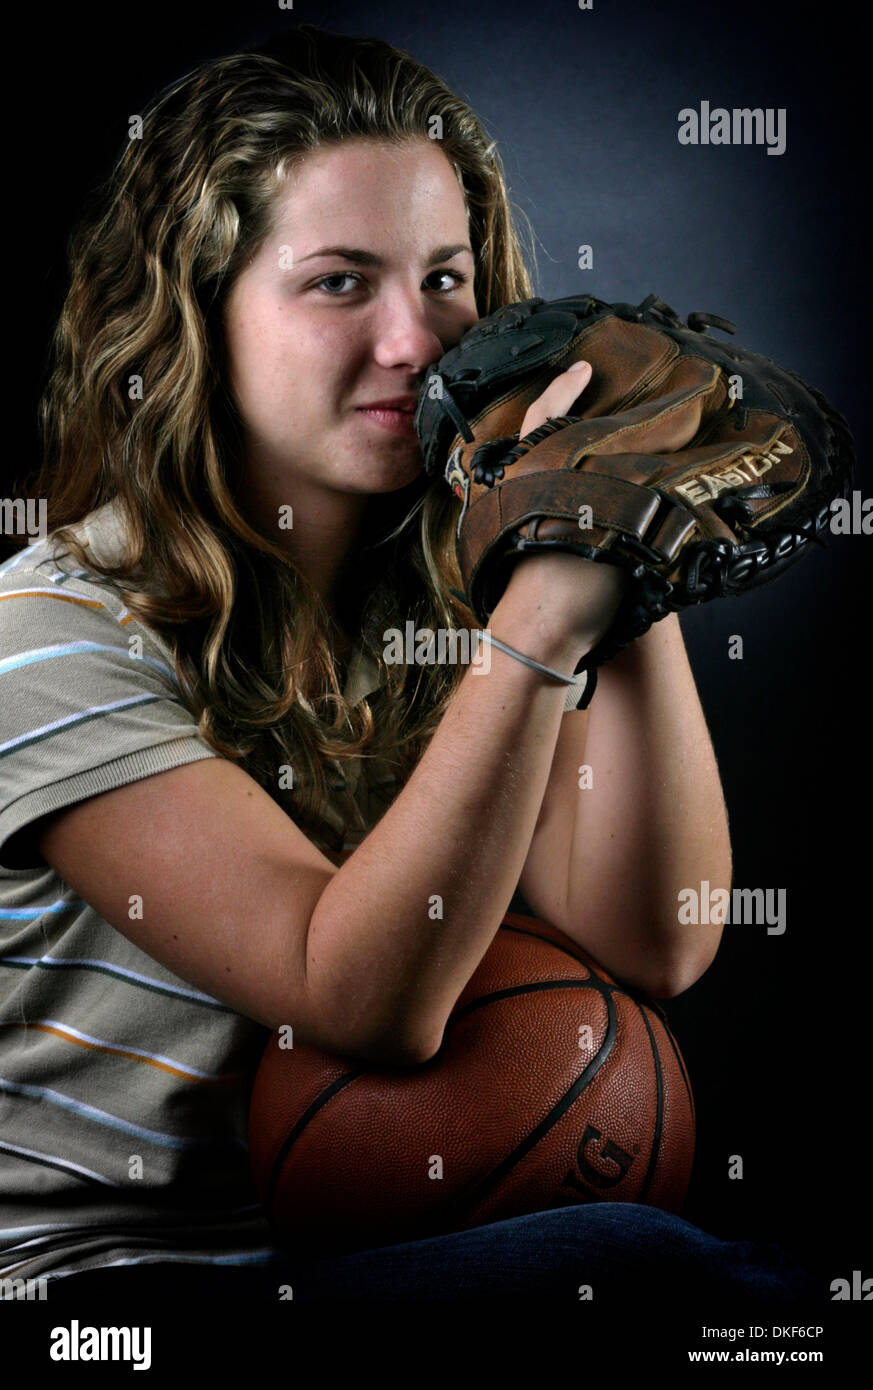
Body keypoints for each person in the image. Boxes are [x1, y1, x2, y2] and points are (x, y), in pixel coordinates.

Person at [0, 24, 816, 1307]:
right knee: (666, 1273)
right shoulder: (49, 630)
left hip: (365, 1253)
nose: (415, 340)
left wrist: (620, 527)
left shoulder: (455, 584)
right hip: (106, 1298)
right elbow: (359, 995)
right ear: (197, 317)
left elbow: (656, 941)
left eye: (446, 278)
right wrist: (540, 624)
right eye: (339, 282)